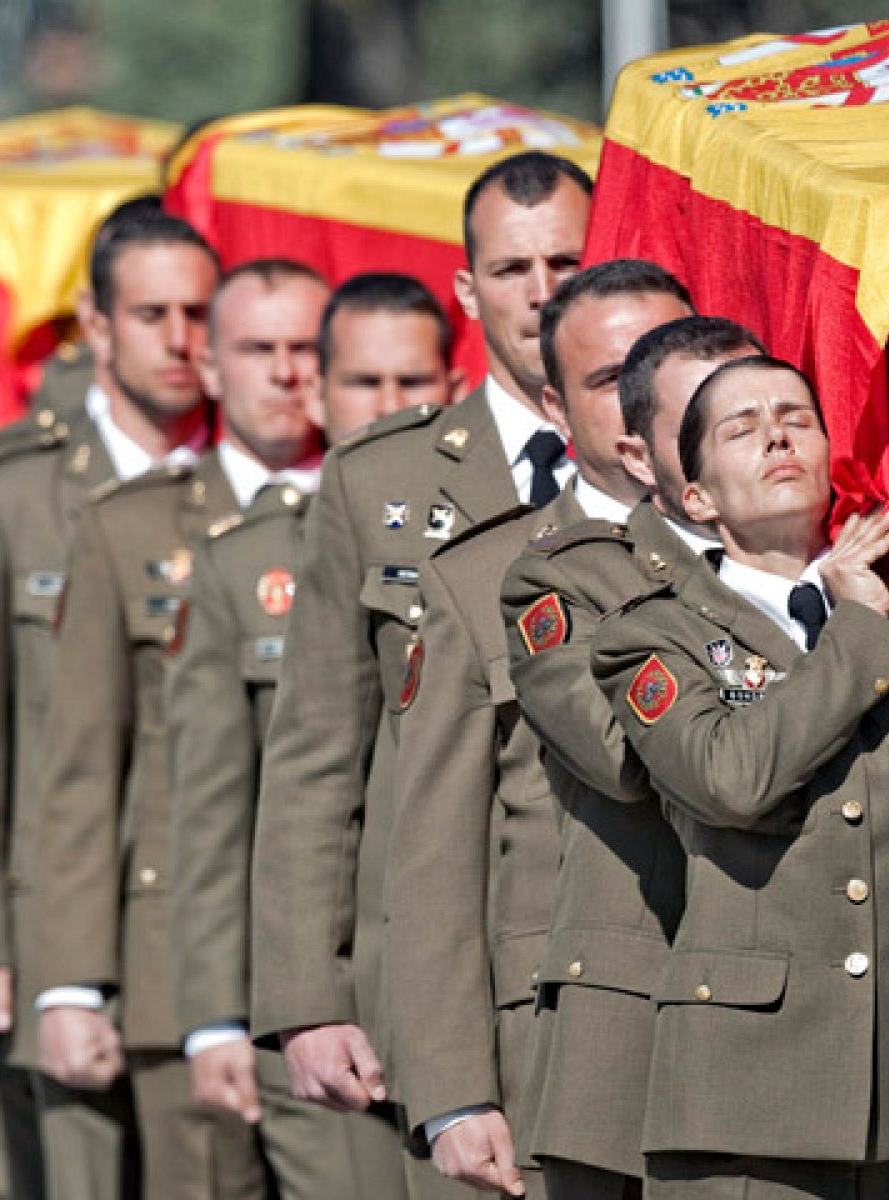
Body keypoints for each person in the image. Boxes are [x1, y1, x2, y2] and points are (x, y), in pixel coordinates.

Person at [591, 355, 889, 1197]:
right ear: (698, 500)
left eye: (797, 416)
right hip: (749, 1105)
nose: (776, 433)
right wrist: (858, 632)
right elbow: (731, 779)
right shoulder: (652, 638)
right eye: (742, 426)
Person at [250, 150, 590, 1200]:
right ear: (466, 287)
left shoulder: (669, 451)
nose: (540, 293)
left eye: (566, 262)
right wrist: (309, 995)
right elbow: (316, 751)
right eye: (510, 268)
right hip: (440, 983)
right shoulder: (378, 477)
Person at [0, 206, 217, 1200]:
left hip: (198, 918)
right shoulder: (9, 489)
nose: (180, 340)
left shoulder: (244, 490)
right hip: (50, 916)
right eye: (152, 313)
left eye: (199, 313)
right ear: (94, 322)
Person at [382, 260, 692, 1198]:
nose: (647, 401)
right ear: (556, 409)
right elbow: (434, 850)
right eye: (610, 382)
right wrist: (451, 1090)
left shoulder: (795, 558)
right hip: (565, 1051)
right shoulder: (483, 578)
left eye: (668, 363)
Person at [32, 258, 336, 1199]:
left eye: (302, 350)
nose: (284, 372)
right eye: (256, 349)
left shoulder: (371, 518)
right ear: (209, 366)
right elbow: (84, 767)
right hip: (175, 964)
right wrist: (72, 980)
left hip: (343, 962)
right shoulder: (131, 529)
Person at [167, 271, 459, 1199]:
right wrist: (222, 1011)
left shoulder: (507, 536)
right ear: (320, 394)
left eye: (412, 384)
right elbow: (220, 810)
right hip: (340, 993)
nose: (389, 407)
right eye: (364, 384)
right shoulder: (246, 557)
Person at [497, 314, 763, 1200]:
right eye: (710, 418)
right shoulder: (568, 577)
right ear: (646, 459)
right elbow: (630, 759)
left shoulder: (842, 576)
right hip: (641, 1028)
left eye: (766, 405)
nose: (752, 433)